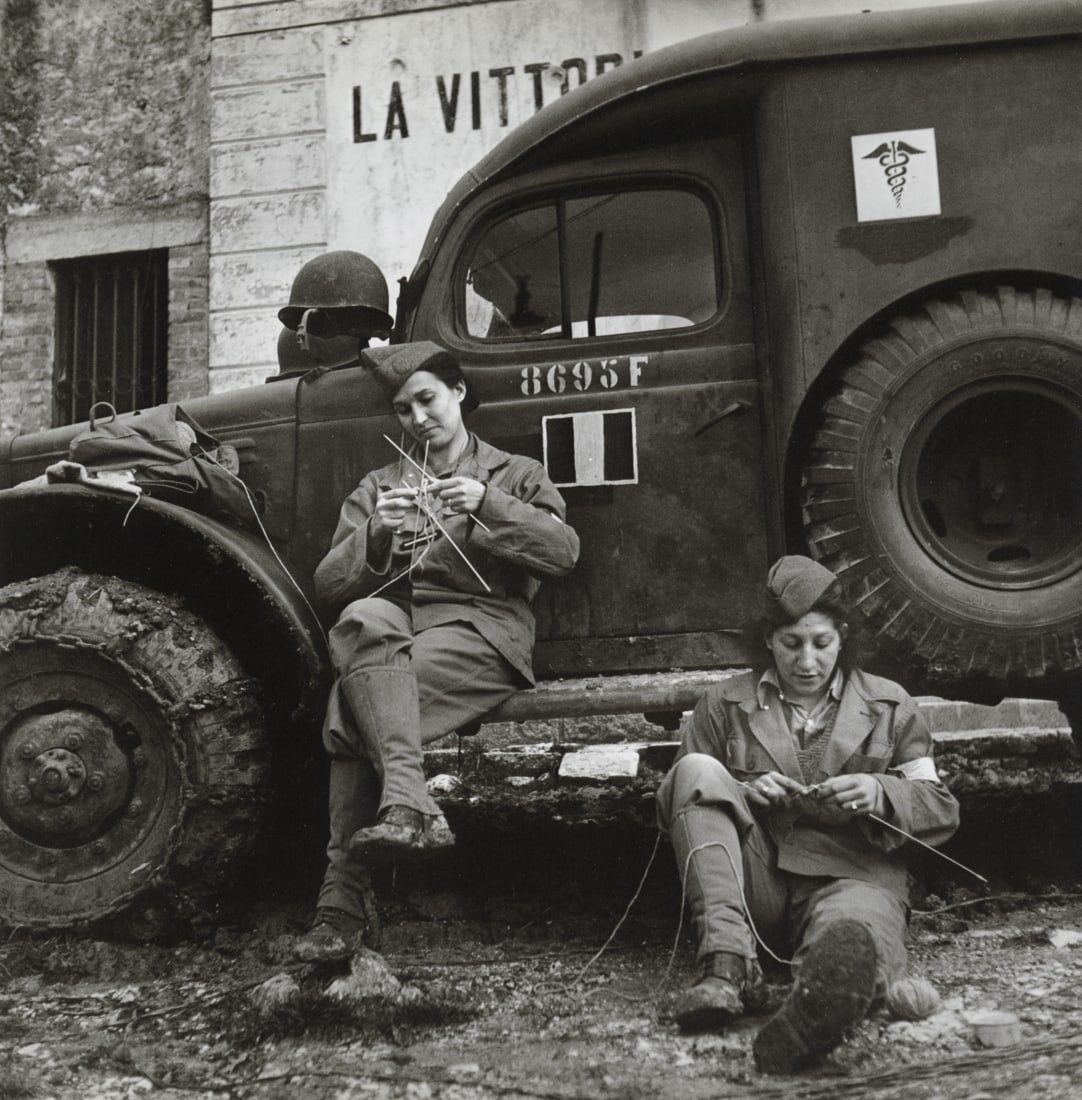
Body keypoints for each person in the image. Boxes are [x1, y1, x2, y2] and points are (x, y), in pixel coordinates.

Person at [294, 340, 580, 962]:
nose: (418, 418)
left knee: (353, 709)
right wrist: (376, 531)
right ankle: (408, 801)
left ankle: (340, 903)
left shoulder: (514, 473)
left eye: (427, 399)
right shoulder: (382, 485)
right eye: (402, 409)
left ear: (458, 394)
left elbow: (563, 553)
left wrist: (489, 505)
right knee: (363, 614)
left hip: (482, 632)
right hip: (400, 634)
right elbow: (327, 584)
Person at [655, 555, 960, 1074]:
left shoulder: (891, 706)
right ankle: (727, 965)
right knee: (699, 768)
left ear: (842, 637)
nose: (807, 661)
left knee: (853, 941)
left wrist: (879, 790)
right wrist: (744, 790)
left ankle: (815, 1006)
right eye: (791, 644)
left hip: (853, 875)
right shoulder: (722, 704)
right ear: (769, 641)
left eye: (822, 643)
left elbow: (941, 810)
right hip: (759, 879)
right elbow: (677, 804)